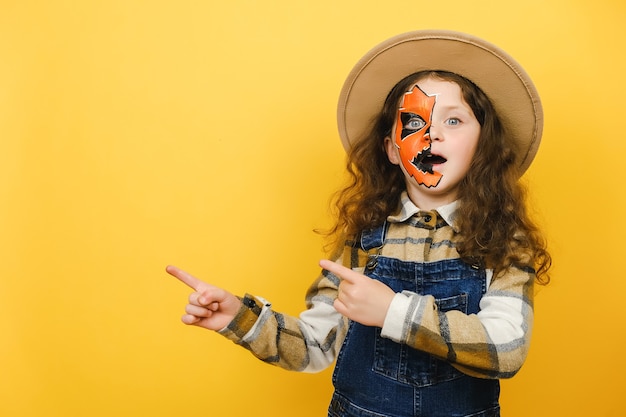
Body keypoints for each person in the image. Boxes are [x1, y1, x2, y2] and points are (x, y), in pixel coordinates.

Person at [166, 30, 551, 417]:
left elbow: (506, 349)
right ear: (391, 149)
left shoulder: (503, 240)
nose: (432, 134)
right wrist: (240, 317)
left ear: (483, 143)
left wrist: (391, 311)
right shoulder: (364, 238)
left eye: (453, 120)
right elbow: (316, 345)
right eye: (414, 122)